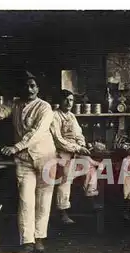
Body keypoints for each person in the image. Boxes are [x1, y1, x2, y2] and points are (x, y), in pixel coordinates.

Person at [0, 71, 56, 253]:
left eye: (33, 86)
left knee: (43, 200)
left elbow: (36, 132)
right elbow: (1, 111)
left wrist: (16, 147)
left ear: (38, 88)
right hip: (24, 160)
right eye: (26, 86)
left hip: (45, 157)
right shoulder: (15, 104)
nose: (29, 89)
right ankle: (27, 240)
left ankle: (39, 237)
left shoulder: (44, 108)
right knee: (25, 200)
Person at [50, 89, 102, 224]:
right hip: (59, 152)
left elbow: (78, 133)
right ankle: (63, 211)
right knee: (65, 174)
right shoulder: (54, 115)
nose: (69, 102)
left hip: (74, 152)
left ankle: (91, 197)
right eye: (66, 99)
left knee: (90, 167)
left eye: (71, 100)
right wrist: (78, 148)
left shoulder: (72, 116)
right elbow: (58, 140)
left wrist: (81, 143)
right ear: (60, 101)